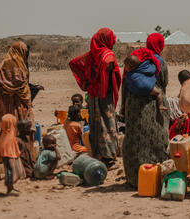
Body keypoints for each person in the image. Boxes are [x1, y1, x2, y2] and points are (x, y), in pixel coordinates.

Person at [122, 32, 170, 187]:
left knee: (134, 138)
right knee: (157, 137)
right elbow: (164, 83)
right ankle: (154, 175)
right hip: (153, 105)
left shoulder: (134, 58)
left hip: (133, 105)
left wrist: (123, 105)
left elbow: (125, 82)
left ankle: (135, 178)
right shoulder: (159, 62)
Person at [69, 28, 121, 167]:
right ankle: (109, 156)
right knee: (108, 124)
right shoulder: (107, 55)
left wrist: (88, 83)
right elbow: (109, 74)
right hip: (104, 96)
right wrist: (103, 87)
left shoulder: (92, 55)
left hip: (93, 95)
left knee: (96, 124)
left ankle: (98, 154)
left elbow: (74, 63)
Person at [0, 41, 35, 155]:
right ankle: (22, 152)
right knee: (22, 125)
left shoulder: (2, 64)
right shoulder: (18, 65)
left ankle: (8, 151)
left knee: (8, 126)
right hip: (19, 103)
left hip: (5, 102)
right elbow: (19, 84)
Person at [0, 114, 25, 195]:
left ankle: (11, 188)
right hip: (8, 156)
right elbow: (8, 147)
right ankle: (10, 189)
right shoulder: (9, 136)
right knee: (10, 171)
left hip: (7, 155)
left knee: (10, 171)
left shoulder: (5, 133)